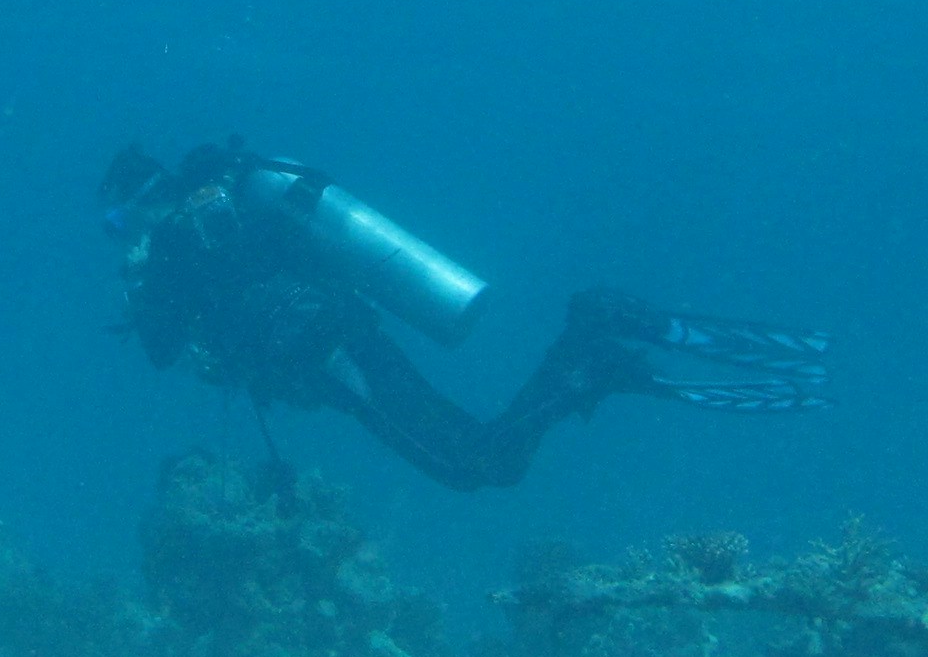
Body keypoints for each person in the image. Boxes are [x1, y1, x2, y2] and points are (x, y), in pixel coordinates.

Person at [98, 140, 829, 492]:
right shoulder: (228, 207)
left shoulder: (165, 247)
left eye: (117, 220)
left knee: (476, 464)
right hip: (348, 338)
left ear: (135, 205)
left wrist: (137, 283)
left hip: (332, 359)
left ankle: (589, 347)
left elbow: (163, 349)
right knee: (480, 460)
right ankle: (591, 359)